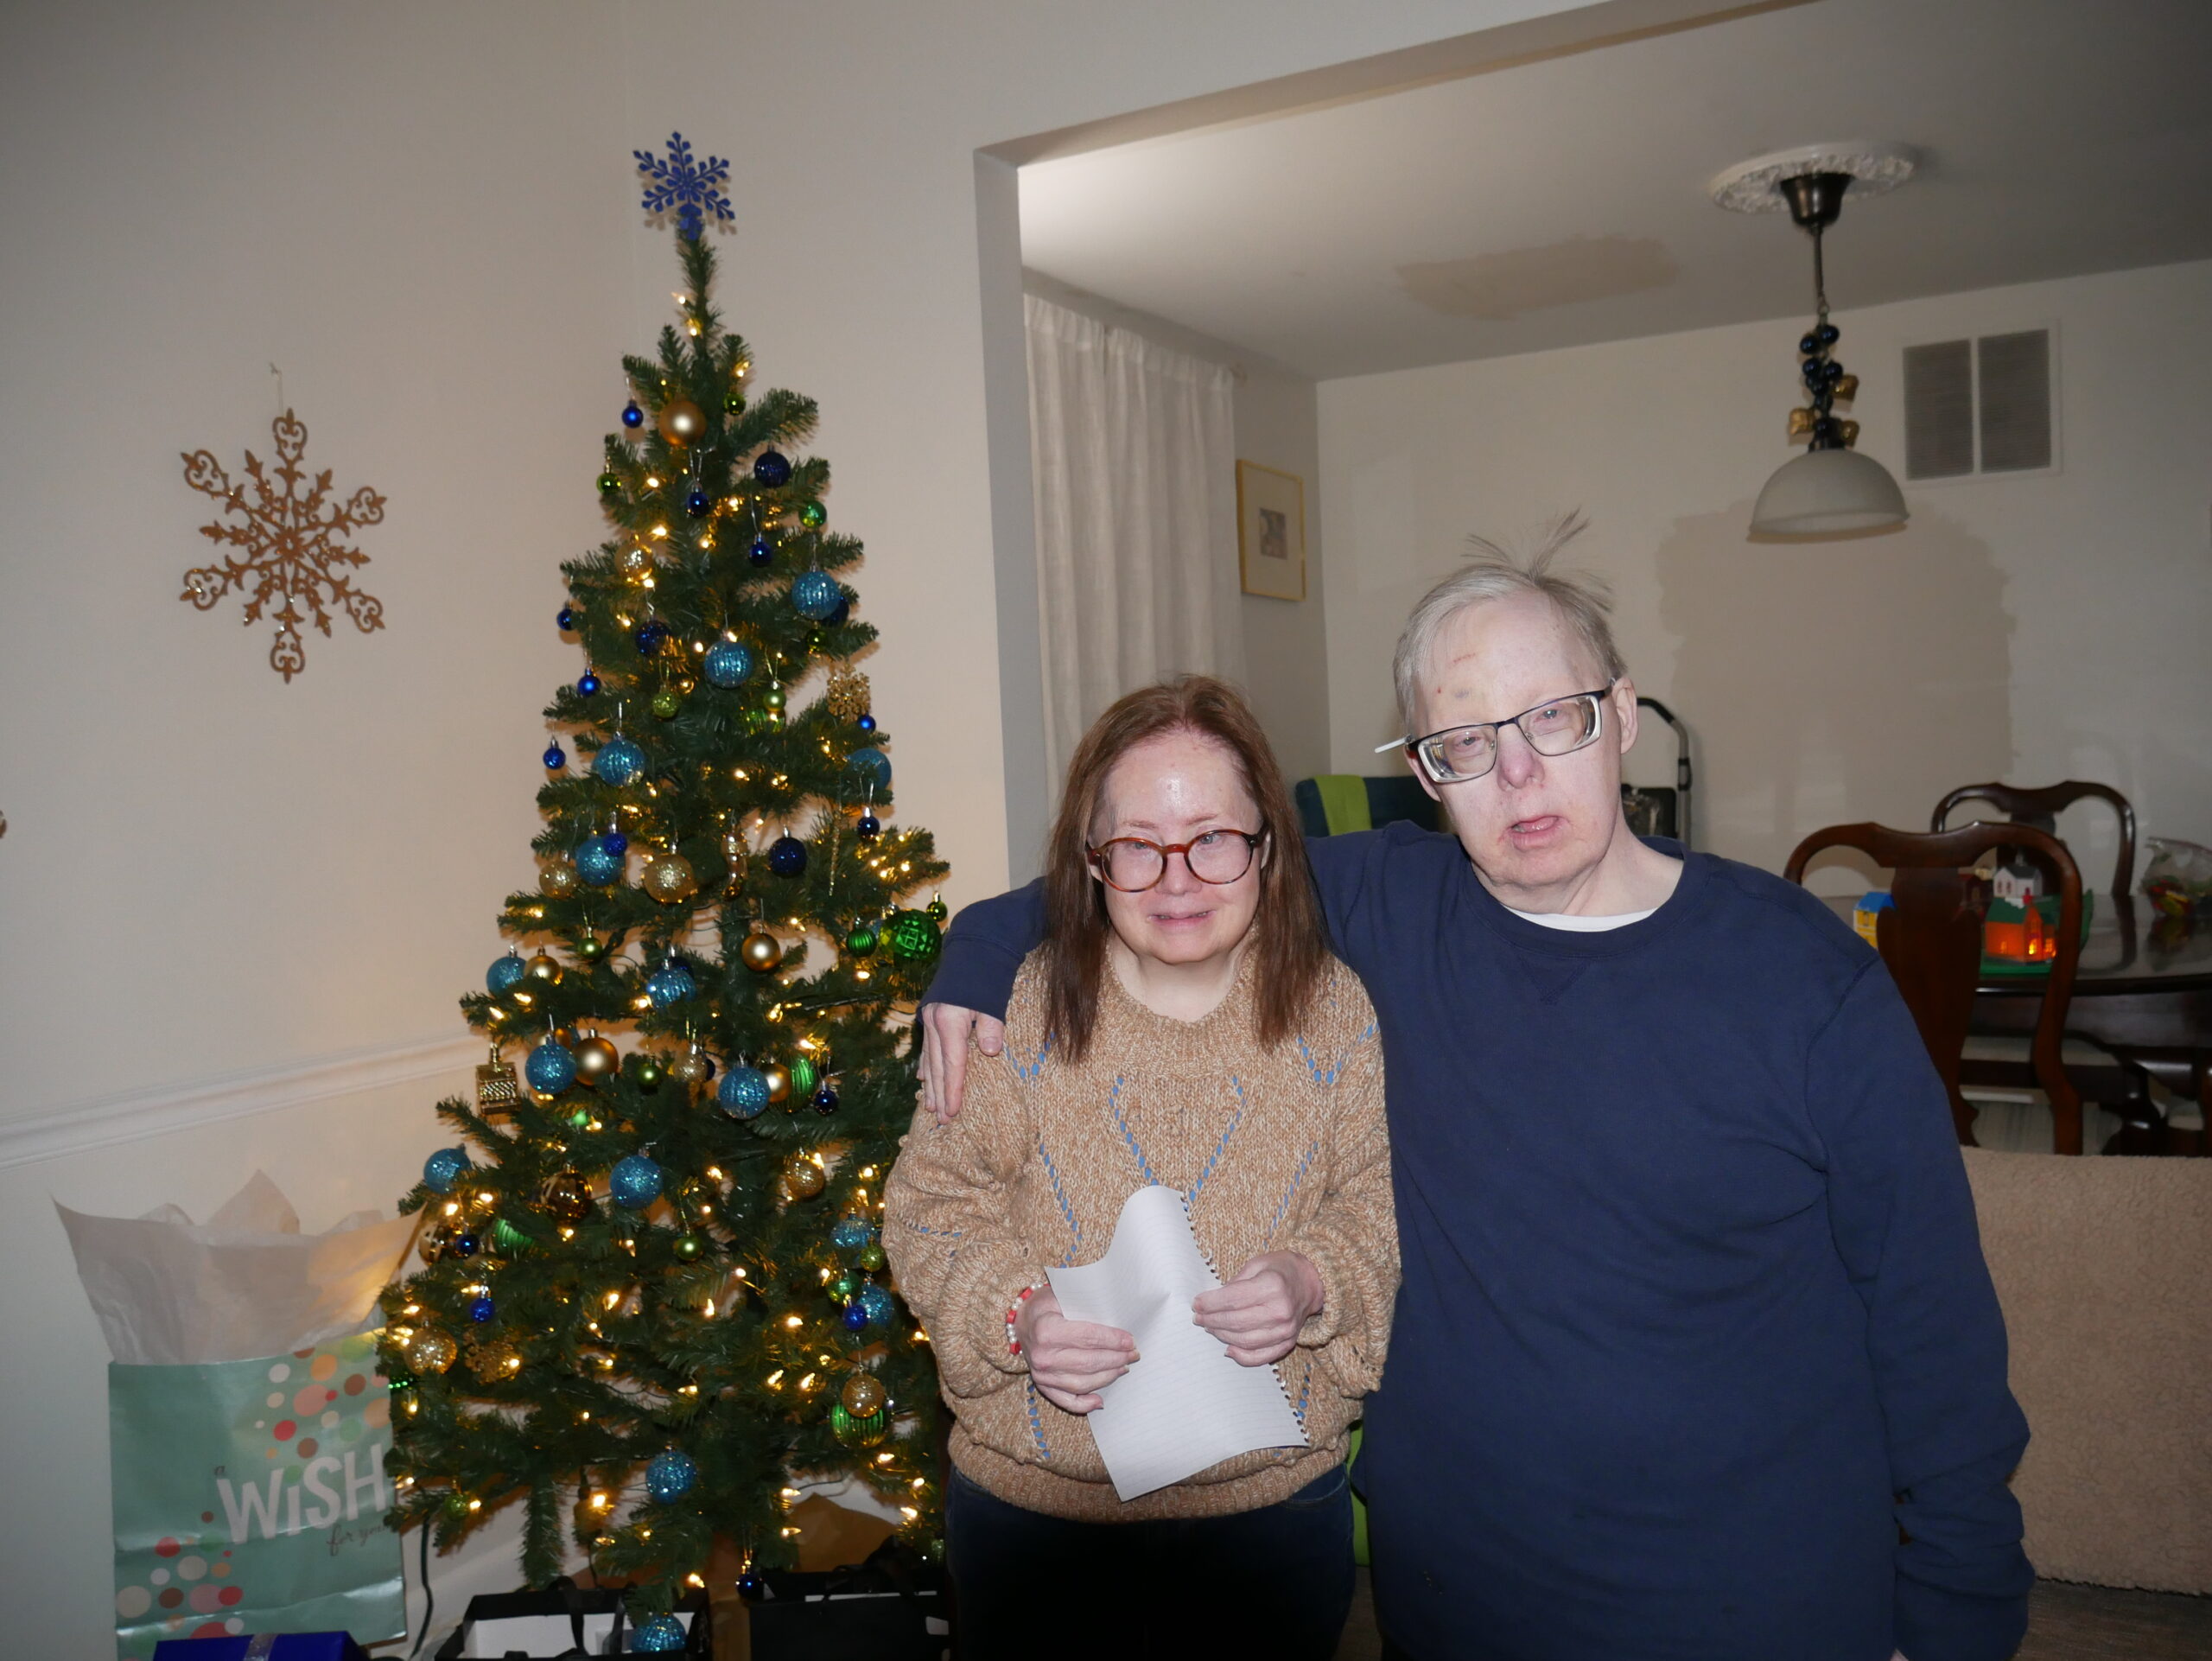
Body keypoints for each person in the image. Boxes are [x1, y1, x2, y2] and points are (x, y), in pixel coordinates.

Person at [918, 519, 2032, 1661]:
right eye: (1462, 740)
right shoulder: (1386, 910)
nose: (1516, 772)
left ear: (1624, 715)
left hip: (1756, 1597)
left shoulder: (1807, 982)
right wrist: (970, 951)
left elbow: (1934, 1324)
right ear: (1422, 773)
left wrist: (1955, 1618)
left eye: (1553, 717)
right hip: (1460, 1601)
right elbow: (1155, 867)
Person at [884, 675, 1396, 1661]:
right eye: (1136, 846)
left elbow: (1372, 1201)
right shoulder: (1013, 1013)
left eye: (1212, 836)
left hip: (1274, 1515)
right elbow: (928, 1208)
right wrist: (1017, 1313)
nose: (1176, 878)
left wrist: (1309, 1275)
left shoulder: (1335, 1011)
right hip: (1038, 1522)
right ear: (1090, 859)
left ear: (1268, 848)